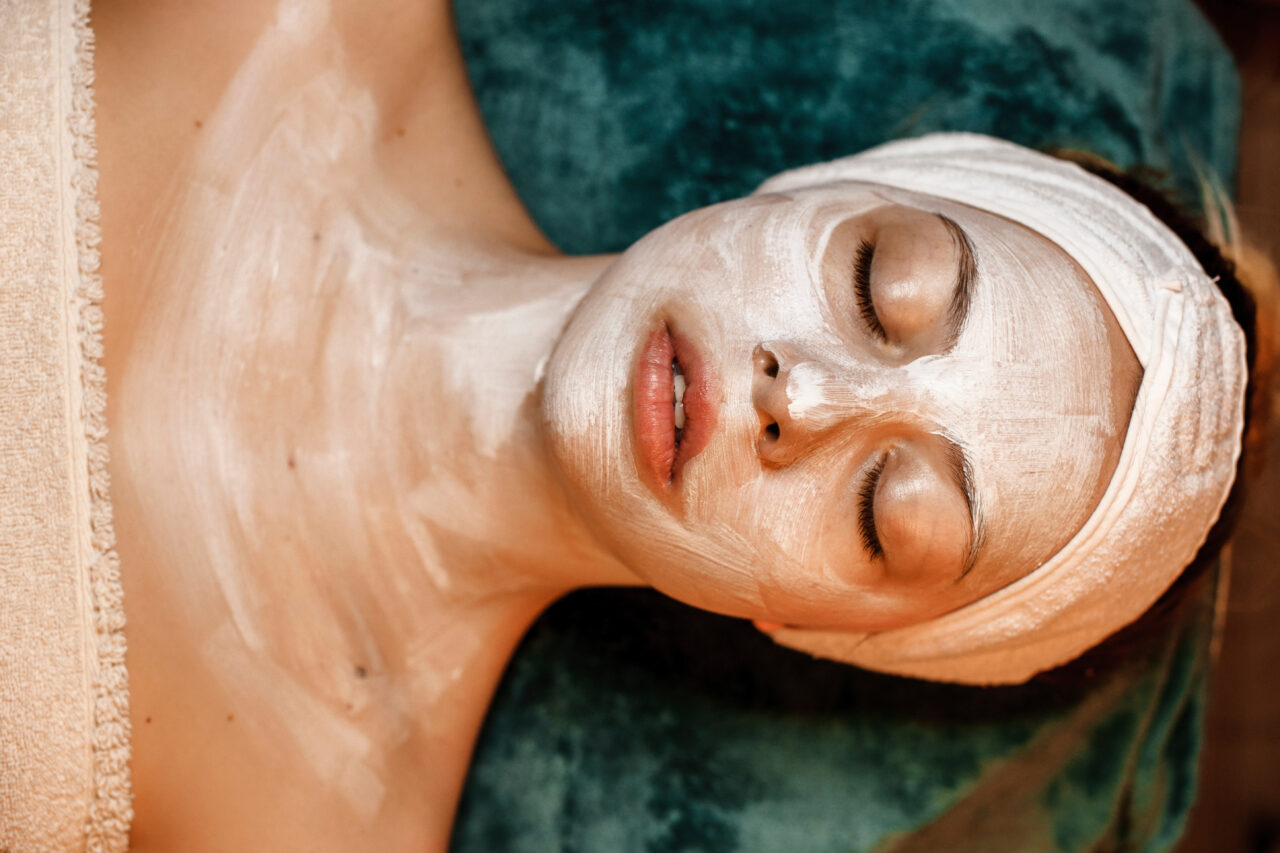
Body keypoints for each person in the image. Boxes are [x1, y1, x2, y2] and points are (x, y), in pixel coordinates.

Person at [0, 0, 1270, 850]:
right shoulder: (293, 19)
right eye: (880, 283)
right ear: (828, 184)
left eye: (890, 512)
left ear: (826, 633)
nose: (806, 400)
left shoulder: (305, 823)